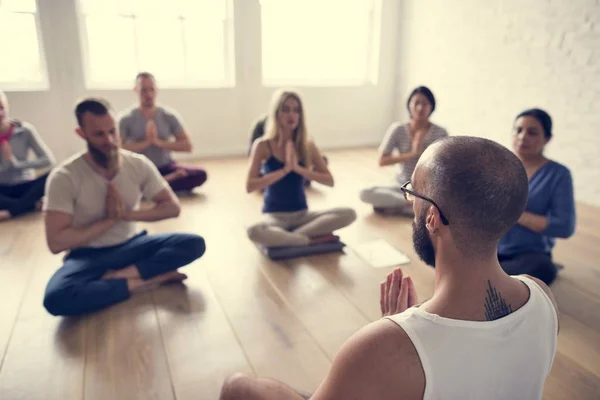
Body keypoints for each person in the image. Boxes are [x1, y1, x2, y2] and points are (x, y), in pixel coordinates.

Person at [221, 136, 559, 400]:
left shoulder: (381, 348)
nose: (409, 200)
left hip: (386, 354)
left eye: (413, 193)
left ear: (433, 218)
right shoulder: (543, 298)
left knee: (238, 387)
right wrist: (402, 331)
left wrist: (393, 334)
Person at [42, 98, 206, 317]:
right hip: (88, 256)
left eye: (113, 131)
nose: (109, 140)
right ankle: (151, 278)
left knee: (194, 244)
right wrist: (109, 221)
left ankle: (117, 278)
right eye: (99, 134)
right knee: (56, 298)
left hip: (133, 246)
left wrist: (126, 215)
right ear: (82, 134)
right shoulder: (64, 177)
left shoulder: (137, 164)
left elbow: (172, 208)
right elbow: (56, 243)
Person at [246, 89, 356, 248]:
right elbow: (250, 186)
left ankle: (289, 238)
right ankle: (307, 240)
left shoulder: (307, 145)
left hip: (302, 216)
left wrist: (298, 169)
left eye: (296, 110)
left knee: (349, 213)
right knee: (253, 230)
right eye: (286, 110)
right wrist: (284, 171)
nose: (291, 115)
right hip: (275, 218)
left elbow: (329, 181)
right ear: (276, 113)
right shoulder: (263, 145)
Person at [498, 108, 576, 285]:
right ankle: (490, 277)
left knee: (542, 269)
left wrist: (515, 214)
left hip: (527, 254)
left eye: (532, 132)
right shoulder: (497, 165)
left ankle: (485, 277)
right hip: (487, 247)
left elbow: (564, 226)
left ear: (547, 139)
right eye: (518, 130)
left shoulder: (559, 174)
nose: (522, 137)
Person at [360, 86, 448, 215]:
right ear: (409, 105)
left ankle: (398, 208)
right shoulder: (398, 129)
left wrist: (424, 153)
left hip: (426, 190)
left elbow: (444, 168)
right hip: (401, 186)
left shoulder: (440, 132)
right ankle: (413, 206)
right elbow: (382, 161)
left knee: (445, 200)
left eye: (425, 103)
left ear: (431, 107)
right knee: (365, 193)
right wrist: (412, 154)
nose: (420, 108)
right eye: (416, 103)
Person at [118, 72, 207, 193]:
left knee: (200, 174)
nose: (148, 94)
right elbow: (116, 149)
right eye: (144, 90)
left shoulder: (169, 115)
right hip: (140, 170)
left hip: (165, 167)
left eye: (151, 90)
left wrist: (159, 143)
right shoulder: (126, 118)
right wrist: (146, 143)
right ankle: (164, 183)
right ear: (135, 90)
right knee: (119, 181)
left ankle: (153, 185)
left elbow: (187, 146)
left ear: (157, 90)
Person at [0, 90, 55, 222]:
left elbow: (48, 160)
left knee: (54, 174)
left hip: (26, 185)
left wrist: (16, 163)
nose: (0, 113)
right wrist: (6, 164)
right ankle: (29, 205)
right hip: (2, 189)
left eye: (1, 107)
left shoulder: (25, 130)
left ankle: (11, 211)